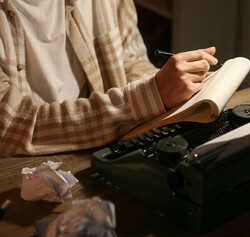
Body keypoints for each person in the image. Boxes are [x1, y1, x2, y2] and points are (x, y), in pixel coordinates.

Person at [0, 0, 218, 157]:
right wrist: (151, 95)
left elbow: (130, 60)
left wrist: (168, 85)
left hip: (100, 151)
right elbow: (9, 125)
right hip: (24, 175)